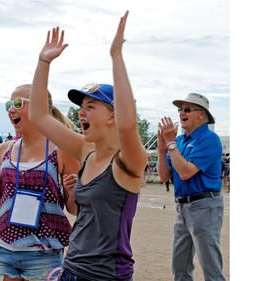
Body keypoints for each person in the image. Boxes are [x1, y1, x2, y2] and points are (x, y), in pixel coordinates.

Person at [29, 11, 147, 281]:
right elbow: (39, 116)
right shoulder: (86, 150)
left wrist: (116, 56)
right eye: (81, 107)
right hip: (72, 269)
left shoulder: (128, 162)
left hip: (106, 277)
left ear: (113, 115)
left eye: (90, 106)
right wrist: (43, 61)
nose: (80, 113)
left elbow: (128, 126)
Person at [0, 84, 80, 281]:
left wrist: (74, 193)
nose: (11, 109)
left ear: (40, 108)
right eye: (9, 104)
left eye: (18, 103)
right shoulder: (5, 149)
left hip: (44, 254)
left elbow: (73, 209)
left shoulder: (62, 150)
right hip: (1, 249)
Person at [157, 92, 226, 281]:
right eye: (180, 109)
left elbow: (186, 172)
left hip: (205, 205)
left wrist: (171, 143)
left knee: (210, 266)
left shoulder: (209, 138)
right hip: (183, 206)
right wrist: (162, 150)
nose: (181, 113)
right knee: (179, 266)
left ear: (202, 114)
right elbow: (164, 176)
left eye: (187, 109)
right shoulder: (180, 141)